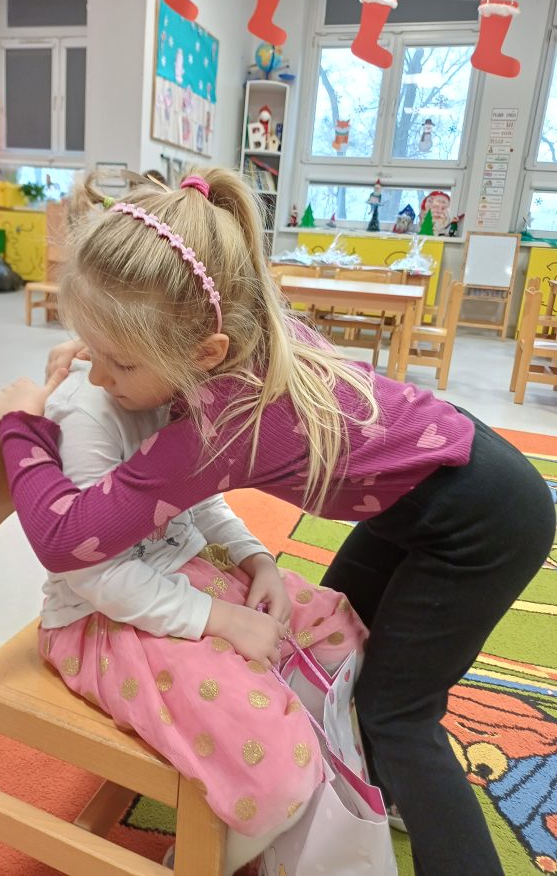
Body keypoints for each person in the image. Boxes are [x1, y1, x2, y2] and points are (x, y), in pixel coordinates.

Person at [0, 168, 555, 876]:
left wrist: (22, 424)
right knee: (340, 641)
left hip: (481, 522)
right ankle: (365, 785)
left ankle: (418, 810)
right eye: (92, 353)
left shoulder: (221, 421)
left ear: (204, 354)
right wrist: (109, 360)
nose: (98, 379)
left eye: (121, 363)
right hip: (434, 486)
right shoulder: (244, 326)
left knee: (397, 710)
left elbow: (64, 539)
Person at [30, 358, 368, 875]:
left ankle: (284, 768)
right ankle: (203, 857)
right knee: (280, 768)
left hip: (188, 577)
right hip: (103, 618)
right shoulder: (88, 413)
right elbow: (96, 576)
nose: (101, 373)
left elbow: (202, 501)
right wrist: (226, 621)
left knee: (338, 629)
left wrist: (258, 561)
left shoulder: (181, 394)